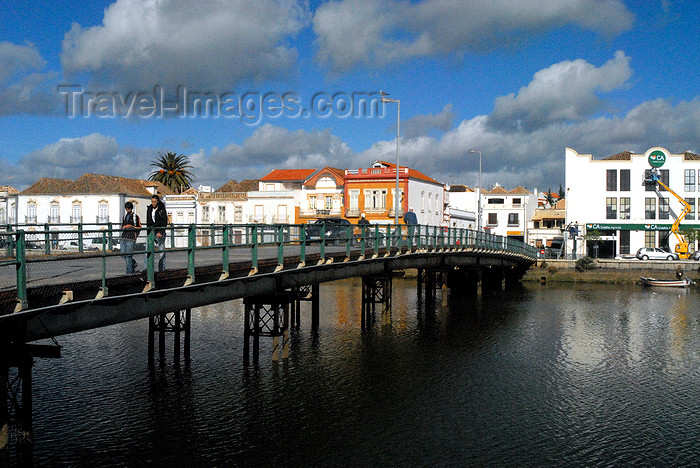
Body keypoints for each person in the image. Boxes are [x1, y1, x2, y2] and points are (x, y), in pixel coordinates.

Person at [145, 194, 168, 272]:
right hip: (151, 232)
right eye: (152, 202)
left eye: (154, 202)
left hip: (160, 232)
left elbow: (164, 221)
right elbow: (148, 221)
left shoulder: (162, 209)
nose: (153, 203)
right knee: (147, 250)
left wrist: (161, 231)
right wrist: (148, 232)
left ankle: (161, 268)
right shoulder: (149, 208)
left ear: (157, 201)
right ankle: (146, 268)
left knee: (161, 251)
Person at [120, 201, 141, 274]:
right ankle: (133, 263)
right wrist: (123, 227)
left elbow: (139, 227)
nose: (128, 210)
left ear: (131, 208)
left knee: (129, 255)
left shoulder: (135, 217)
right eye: (126, 209)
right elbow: (123, 225)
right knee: (123, 253)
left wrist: (131, 226)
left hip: (131, 238)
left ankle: (129, 271)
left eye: (129, 208)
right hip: (124, 237)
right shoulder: (124, 216)